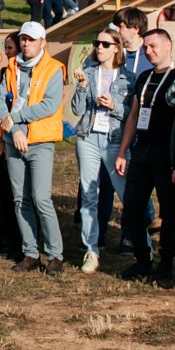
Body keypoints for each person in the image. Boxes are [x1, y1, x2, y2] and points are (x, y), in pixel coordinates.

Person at [113, 28, 175, 282]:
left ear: (168, 46)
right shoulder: (144, 77)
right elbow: (134, 115)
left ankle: (167, 263)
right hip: (142, 149)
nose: (148, 51)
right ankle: (143, 260)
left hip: (166, 152)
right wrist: (122, 151)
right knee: (132, 206)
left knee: (169, 209)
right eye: (145, 47)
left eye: (153, 46)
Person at [0, 20, 67, 275]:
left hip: (40, 141)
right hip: (13, 141)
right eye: (23, 39)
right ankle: (30, 253)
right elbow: (0, 103)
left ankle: (55, 254)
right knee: (20, 199)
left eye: (31, 39)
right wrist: (14, 129)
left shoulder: (53, 68)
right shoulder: (11, 67)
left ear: (42, 42)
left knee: (41, 198)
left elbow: (49, 105)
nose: (26, 43)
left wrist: (15, 118)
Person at [69, 33, 131, 274]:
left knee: (127, 194)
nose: (99, 47)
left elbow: (133, 113)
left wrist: (114, 106)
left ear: (117, 48)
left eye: (105, 44)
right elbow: (77, 109)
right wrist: (82, 86)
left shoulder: (128, 77)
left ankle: (142, 244)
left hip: (115, 140)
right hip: (88, 137)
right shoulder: (88, 72)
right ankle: (91, 250)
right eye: (97, 43)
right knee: (88, 195)